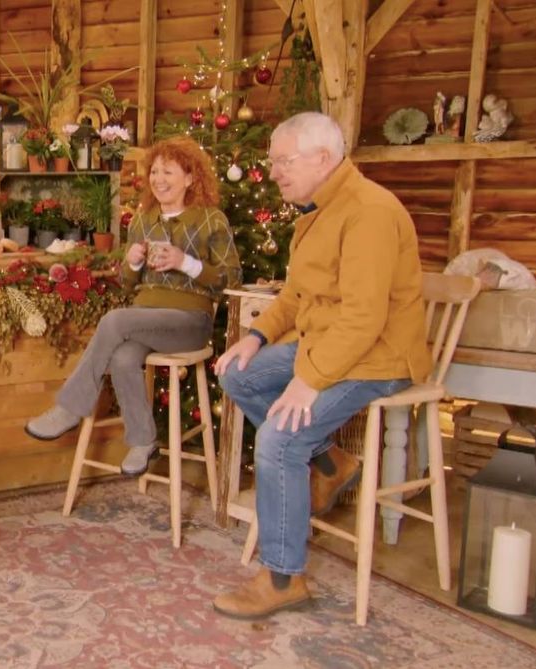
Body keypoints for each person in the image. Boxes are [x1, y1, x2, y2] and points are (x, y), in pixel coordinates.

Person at [211, 112, 432, 620]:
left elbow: (364, 318)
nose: (274, 172)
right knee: (237, 373)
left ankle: (283, 578)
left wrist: (309, 383)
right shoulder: (315, 211)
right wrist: (257, 334)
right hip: (329, 342)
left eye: (284, 161)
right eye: (273, 162)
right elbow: (295, 294)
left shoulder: (370, 211)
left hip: (380, 355)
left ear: (324, 159)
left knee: (281, 439)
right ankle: (332, 465)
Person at [25, 136, 241, 475]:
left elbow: (232, 278)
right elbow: (127, 285)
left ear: (190, 178)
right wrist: (133, 262)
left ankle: (70, 406)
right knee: (124, 357)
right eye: (154, 171)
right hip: (145, 318)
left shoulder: (211, 219)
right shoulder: (142, 221)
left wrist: (186, 263)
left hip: (190, 321)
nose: (158, 179)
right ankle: (143, 441)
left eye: (168, 172)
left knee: (113, 322)